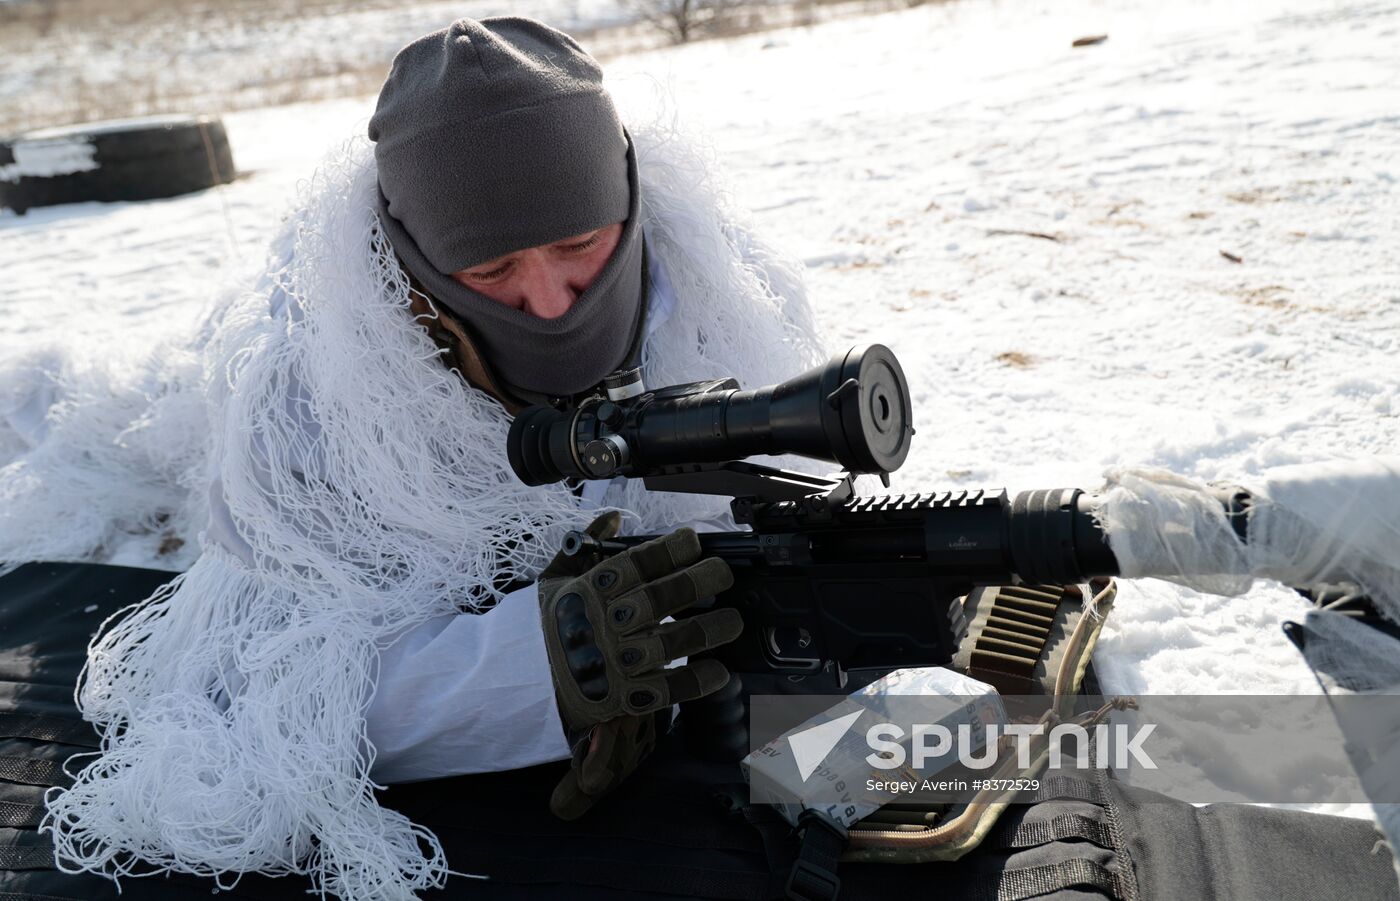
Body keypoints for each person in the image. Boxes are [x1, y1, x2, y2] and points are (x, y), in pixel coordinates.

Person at [31, 16, 828, 899]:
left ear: (631, 202)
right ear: (417, 271)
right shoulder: (313, 395)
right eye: (490, 271)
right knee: (102, 422)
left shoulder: (728, 297)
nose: (551, 301)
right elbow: (248, 699)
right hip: (194, 414)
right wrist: (547, 673)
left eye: (579, 245)